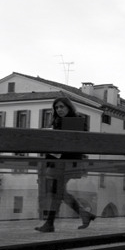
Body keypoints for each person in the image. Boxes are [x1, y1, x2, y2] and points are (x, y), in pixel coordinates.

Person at [35, 97, 96, 232]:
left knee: (57, 192)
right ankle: (83, 214)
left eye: (62, 106)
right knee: (59, 192)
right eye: (57, 108)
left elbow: (81, 140)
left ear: (69, 107)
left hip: (68, 163)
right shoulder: (56, 122)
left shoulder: (77, 121)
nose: (59, 110)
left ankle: (50, 223)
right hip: (58, 163)